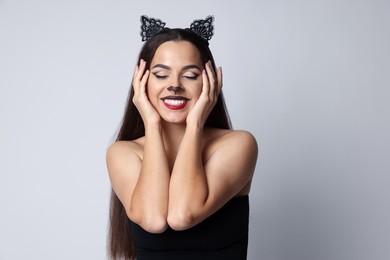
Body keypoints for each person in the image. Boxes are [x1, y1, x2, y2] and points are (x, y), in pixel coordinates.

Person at [106, 15, 258, 260]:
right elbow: (154, 220)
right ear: (141, 82)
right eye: (161, 74)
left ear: (210, 82)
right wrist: (152, 124)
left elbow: (181, 215)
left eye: (190, 75)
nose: (174, 85)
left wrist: (195, 123)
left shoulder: (238, 144)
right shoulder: (124, 153)